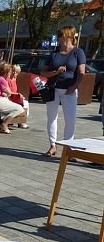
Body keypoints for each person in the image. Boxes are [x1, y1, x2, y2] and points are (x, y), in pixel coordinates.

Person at [41, 26, 86, 157]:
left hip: (69, 90)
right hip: (53, 88)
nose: (58, 37)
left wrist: (75, 85)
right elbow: (43, 72)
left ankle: (68, 149)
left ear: (67, 36)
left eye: (60, 35)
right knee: (51, 118)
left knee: (70, 119)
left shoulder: (78, 52)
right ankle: (52, 145)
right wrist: (56, 72)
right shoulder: (54, 53)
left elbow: (82, 72)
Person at [0, 63, 24, 134]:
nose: (11, 73)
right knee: (19, 108)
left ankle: (1, 123)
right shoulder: (2, 79)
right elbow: (9, 93)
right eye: (10, 72)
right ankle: (4, 124)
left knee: (7, 101)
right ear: (6, 72)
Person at [8, 64, 29, 129]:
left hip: (14, 97)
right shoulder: (8, 79)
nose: (14, 73)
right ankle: (20, 122)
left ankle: (22, 120)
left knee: (26, 103)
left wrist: (19, 95)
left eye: (16, 72)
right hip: (9, 97)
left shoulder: (15, 79)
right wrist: (18, 95)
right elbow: (9, 91)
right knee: (22, 104)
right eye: (13, 71)